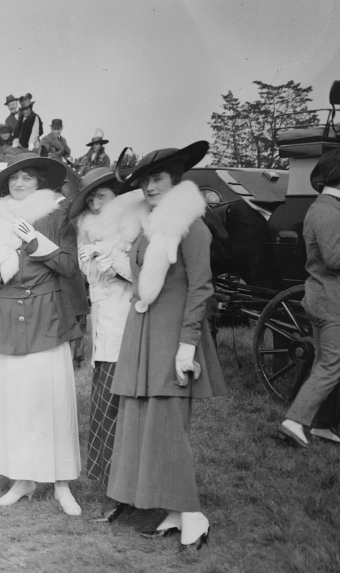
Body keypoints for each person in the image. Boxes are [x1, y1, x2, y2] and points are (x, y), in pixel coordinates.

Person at [107, 141, 226, 550]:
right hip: (144, 334)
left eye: (157, 178)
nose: (150, 187)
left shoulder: (191, 225)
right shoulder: (150, 224)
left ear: (175, 178)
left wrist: (187, 345)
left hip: (174, 335)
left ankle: (193, 514)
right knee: (147, 423)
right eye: (144, 181)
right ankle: (172, 510)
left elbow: (202, 289)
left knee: (171, 428)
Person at [0, 152, 84, 515]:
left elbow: (68, 266)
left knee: (51, 399)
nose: (19, 184)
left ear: (40, 184)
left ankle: (62, 482)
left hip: (45, 314)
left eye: (27, 178)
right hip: (6, 314)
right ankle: (22, 479)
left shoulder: (58, 214)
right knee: (14, 402)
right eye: (13, 180)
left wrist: (35, 242)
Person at [69, 168, 148, 522]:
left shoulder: (138, 224)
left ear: (118, 194)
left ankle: (130, 489)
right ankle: (113, 487)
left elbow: (150, 274)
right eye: (90, 197)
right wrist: (92, 262)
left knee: (126, 408)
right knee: (105, 407)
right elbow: (90, 276)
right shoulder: (88, 231)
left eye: (102, 195)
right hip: (105, 332)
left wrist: (116, 266)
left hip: (134, 326)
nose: (95, 202)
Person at [277, 147, 340, 447]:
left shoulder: (325, 206)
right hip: (334, 303)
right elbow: (335, 258)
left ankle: (322, 425)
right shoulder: (328, 211)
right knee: (329, 368)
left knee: (324, 366)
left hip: (320, 298)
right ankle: (294, 420)